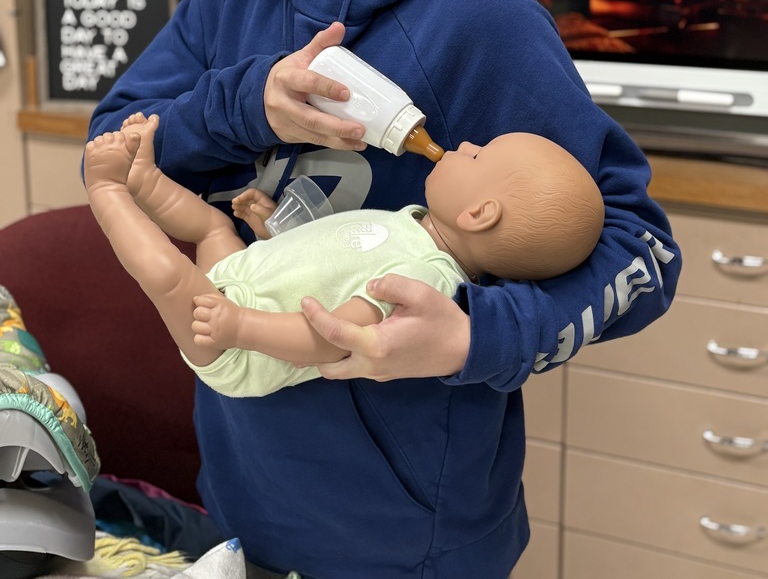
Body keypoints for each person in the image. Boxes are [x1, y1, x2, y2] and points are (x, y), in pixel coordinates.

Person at [87, 0, 680, 578]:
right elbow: (112, 147)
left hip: (415, 537)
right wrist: (249, 106)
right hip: (249, 489)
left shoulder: (486, 22)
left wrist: (474, 336)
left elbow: (642, 250)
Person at [84, 113, 605, 399]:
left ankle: (107, 189)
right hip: (245, 285)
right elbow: (337, 262)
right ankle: (143, 179)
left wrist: (239, 326)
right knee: (214, 225)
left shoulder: (424, 277)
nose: (466, 144)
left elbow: (334, 338)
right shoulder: (414, 223)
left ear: (479, 213)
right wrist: (275, 232)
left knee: (169, 276)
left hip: (241, 348)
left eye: (479, 155)